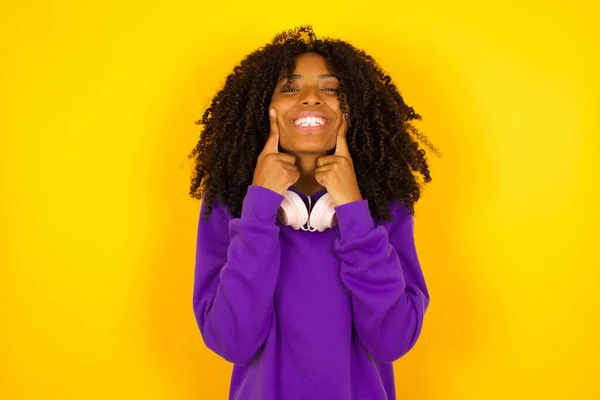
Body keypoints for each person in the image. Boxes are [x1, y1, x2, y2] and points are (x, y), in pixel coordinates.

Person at [188, 25, 439, 400]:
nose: (310, 99)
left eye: (331, 89)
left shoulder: (387, 206)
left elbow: (392, 341)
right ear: (263, 108)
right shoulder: (231, 204)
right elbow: (232, 342)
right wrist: (257, 213)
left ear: (352, 110)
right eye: (289, 88)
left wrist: (354, 213)